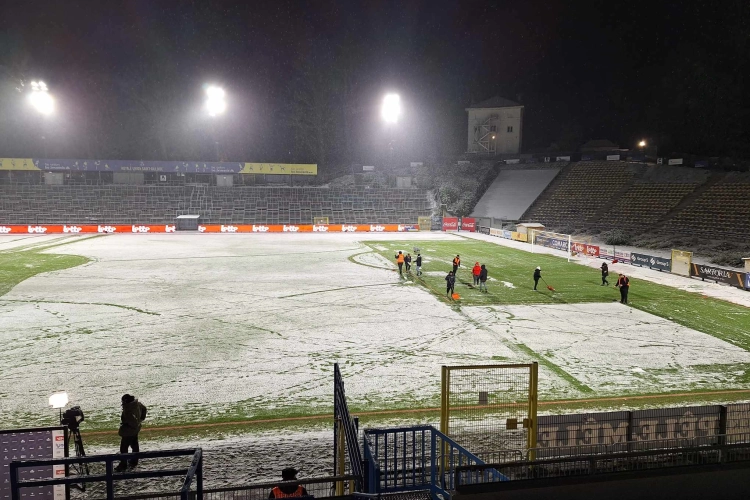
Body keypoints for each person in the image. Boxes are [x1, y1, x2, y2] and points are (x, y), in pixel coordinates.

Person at [115, 394, 147, 472]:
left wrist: (131, 425)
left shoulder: (128, 409)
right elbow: (144, 409)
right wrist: (141, 419)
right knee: (135, 445)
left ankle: (123, 464)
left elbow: (132, 422)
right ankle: (134, 461)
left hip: (128, 431)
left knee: (124, 448)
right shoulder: (137, 404)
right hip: (135, 430)